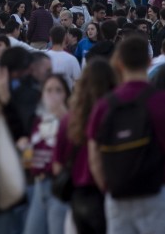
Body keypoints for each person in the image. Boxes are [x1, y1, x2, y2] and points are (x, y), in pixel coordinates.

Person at [87, 35, 165, 234]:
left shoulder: (104, 105)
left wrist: (109, 188)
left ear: (118, 63)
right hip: (162, 191)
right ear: (149, 61)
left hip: (119, 195)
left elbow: (94, 156)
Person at [54, 57, 115, 234]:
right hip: (110, 189)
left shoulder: (69, 120)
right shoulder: (113, 115)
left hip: (79, 193)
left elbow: (57, 166)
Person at [22, 74, 71, 234]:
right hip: (37, 184)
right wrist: (26, 151)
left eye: (58, 90)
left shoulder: (70, 120)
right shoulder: (39, 120)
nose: (53, 94)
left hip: (58, 186)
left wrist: (63, 116)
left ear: (66, 95)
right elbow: (29, 159)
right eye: (48, 90)